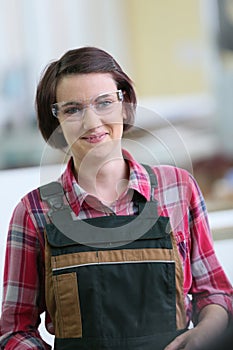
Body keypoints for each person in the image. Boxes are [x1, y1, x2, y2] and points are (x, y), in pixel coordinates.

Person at [0, 46, 232, 350]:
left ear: (124, 105)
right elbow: (14, 329)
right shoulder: (34, 212)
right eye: (73, 109)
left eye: (104, 103)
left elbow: (215, 293)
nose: (92, 122)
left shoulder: (178, 188)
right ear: (55, 121)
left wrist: (203, 335)